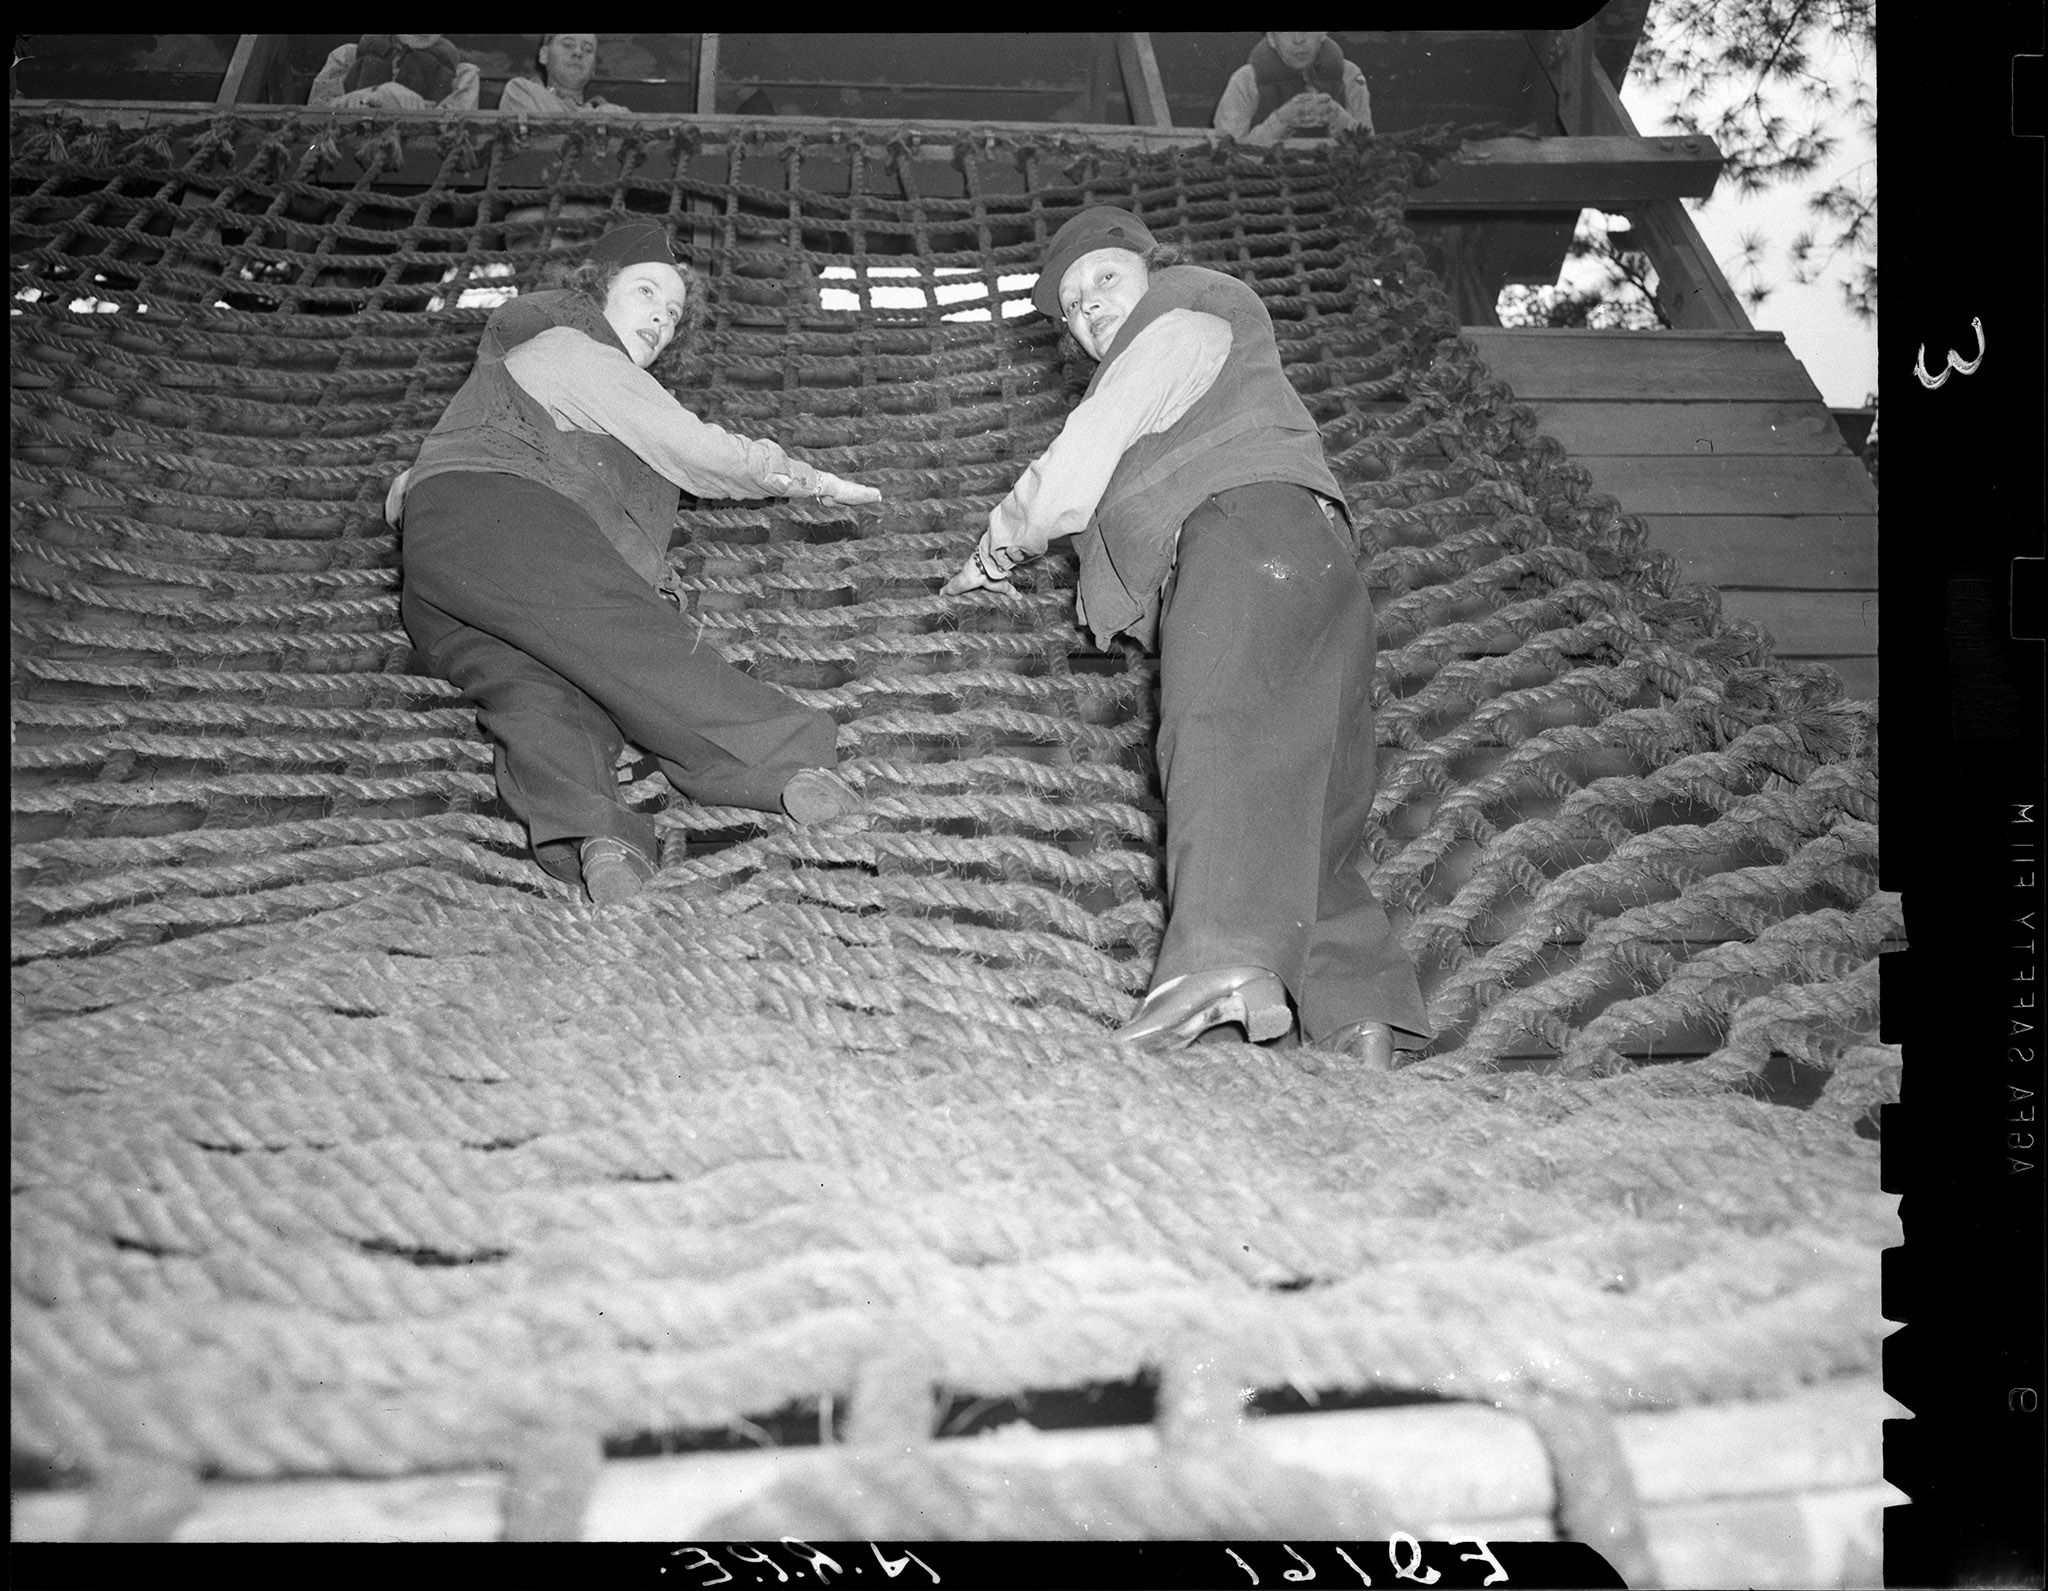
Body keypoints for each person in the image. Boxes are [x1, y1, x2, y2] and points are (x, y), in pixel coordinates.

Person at [941, 207, 1429, 1065]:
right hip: (1317, 558)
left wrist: (1004, 539)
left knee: (1213, 730)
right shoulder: (1205, 339)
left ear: (1147, 266)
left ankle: (1217, 961)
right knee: (1315, 807)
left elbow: (1082, 459)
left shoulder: (1179, 313)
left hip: (1239, 534)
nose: (1090, 307)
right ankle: (1358, 1014)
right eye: (1073, 306)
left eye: (1103, 280)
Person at [388, 220, 882, 905]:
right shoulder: (572, 347)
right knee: (645, 653)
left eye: (673, 313)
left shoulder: (542, 400)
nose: (659, 316)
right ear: (597, 293)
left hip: (442, 583)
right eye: (646, 291)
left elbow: (413, 494)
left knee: (543, 697)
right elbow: (699, 450)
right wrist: (811, 479)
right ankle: (793, 755)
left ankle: (599, 839)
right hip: (500, 519)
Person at [1212, 31, 1373, 146]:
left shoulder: (1350, 76)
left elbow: (1370, 148)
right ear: (1271, 38)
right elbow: (1224, 155)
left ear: (1323, 33)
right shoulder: (1244, 81)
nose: (1298, 39)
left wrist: (1336, 116)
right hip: (1264, 188)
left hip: (1336, 186)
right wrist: (1281, 121)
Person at [308, 34, 482, 113]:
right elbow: (313, 118)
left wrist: (406, 104)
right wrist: (372, 95)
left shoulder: (464, 76)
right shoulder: (346, 57)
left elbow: (456, 135)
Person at [498, 33, 624, 115]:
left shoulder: (616, 112)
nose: (578, 52)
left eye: (588, 50)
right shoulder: (521, 91)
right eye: (568, 45)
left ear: (593, 68)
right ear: (544, 55)